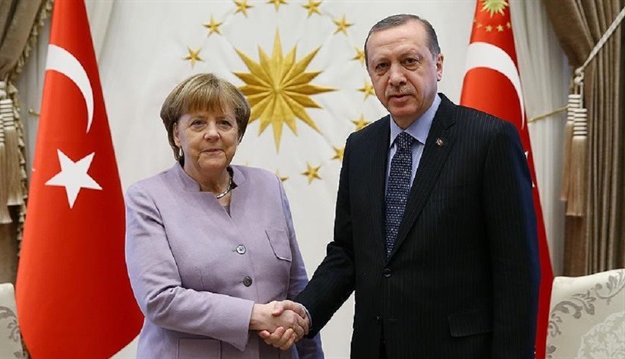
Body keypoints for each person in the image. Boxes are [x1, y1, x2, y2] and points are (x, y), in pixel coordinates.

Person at [262, 14, 540, 358]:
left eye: (409, 61)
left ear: (437, 65)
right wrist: (304, 312)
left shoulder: (489, 139)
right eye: (381, 66)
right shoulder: (361, 146)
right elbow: (348, 254)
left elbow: (516, 270)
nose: (395, 78)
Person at [124, 73, 324, 358]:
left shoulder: (269, 186)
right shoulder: (147, 198)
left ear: (238, 134)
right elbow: (160, 300)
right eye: (198, 123)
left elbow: (296, 287)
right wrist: (254, 316)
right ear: (176, 135)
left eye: (225, 122)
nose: (213, 133)